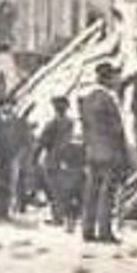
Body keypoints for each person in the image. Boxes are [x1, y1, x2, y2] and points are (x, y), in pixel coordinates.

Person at [79, 62, 130, 243]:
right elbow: (117, 130)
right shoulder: (109, 99)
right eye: (115, 76)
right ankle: (104, 231)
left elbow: (85, 127)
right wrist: (123, 153)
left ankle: (87, 230)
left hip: (93, 152)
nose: (118, 80)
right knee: (107, 193)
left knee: (91, 192)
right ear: (108, 78)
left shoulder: (87, 98)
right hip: (109, 153)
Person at [36, 97, 79, 228]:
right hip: (67, 160)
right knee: (64, 190)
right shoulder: (71, 123)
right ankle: (65, 217)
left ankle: (59, 217)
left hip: (53, 160)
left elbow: (42, 142)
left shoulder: (52, 124)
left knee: (54, 190)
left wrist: (34, 157)